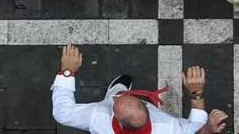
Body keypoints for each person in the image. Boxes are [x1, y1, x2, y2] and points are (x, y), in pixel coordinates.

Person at [51, 44, 228, 134]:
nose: (115, 102)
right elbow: (194, 127)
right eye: (140, 102)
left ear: (119, 122)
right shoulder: (168, 128)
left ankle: (116, 90)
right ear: (148, 110)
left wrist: (68, 71)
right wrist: (197, 93)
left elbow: (62, 112)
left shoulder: (98, 118)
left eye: (114, 105)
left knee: (117, 91)